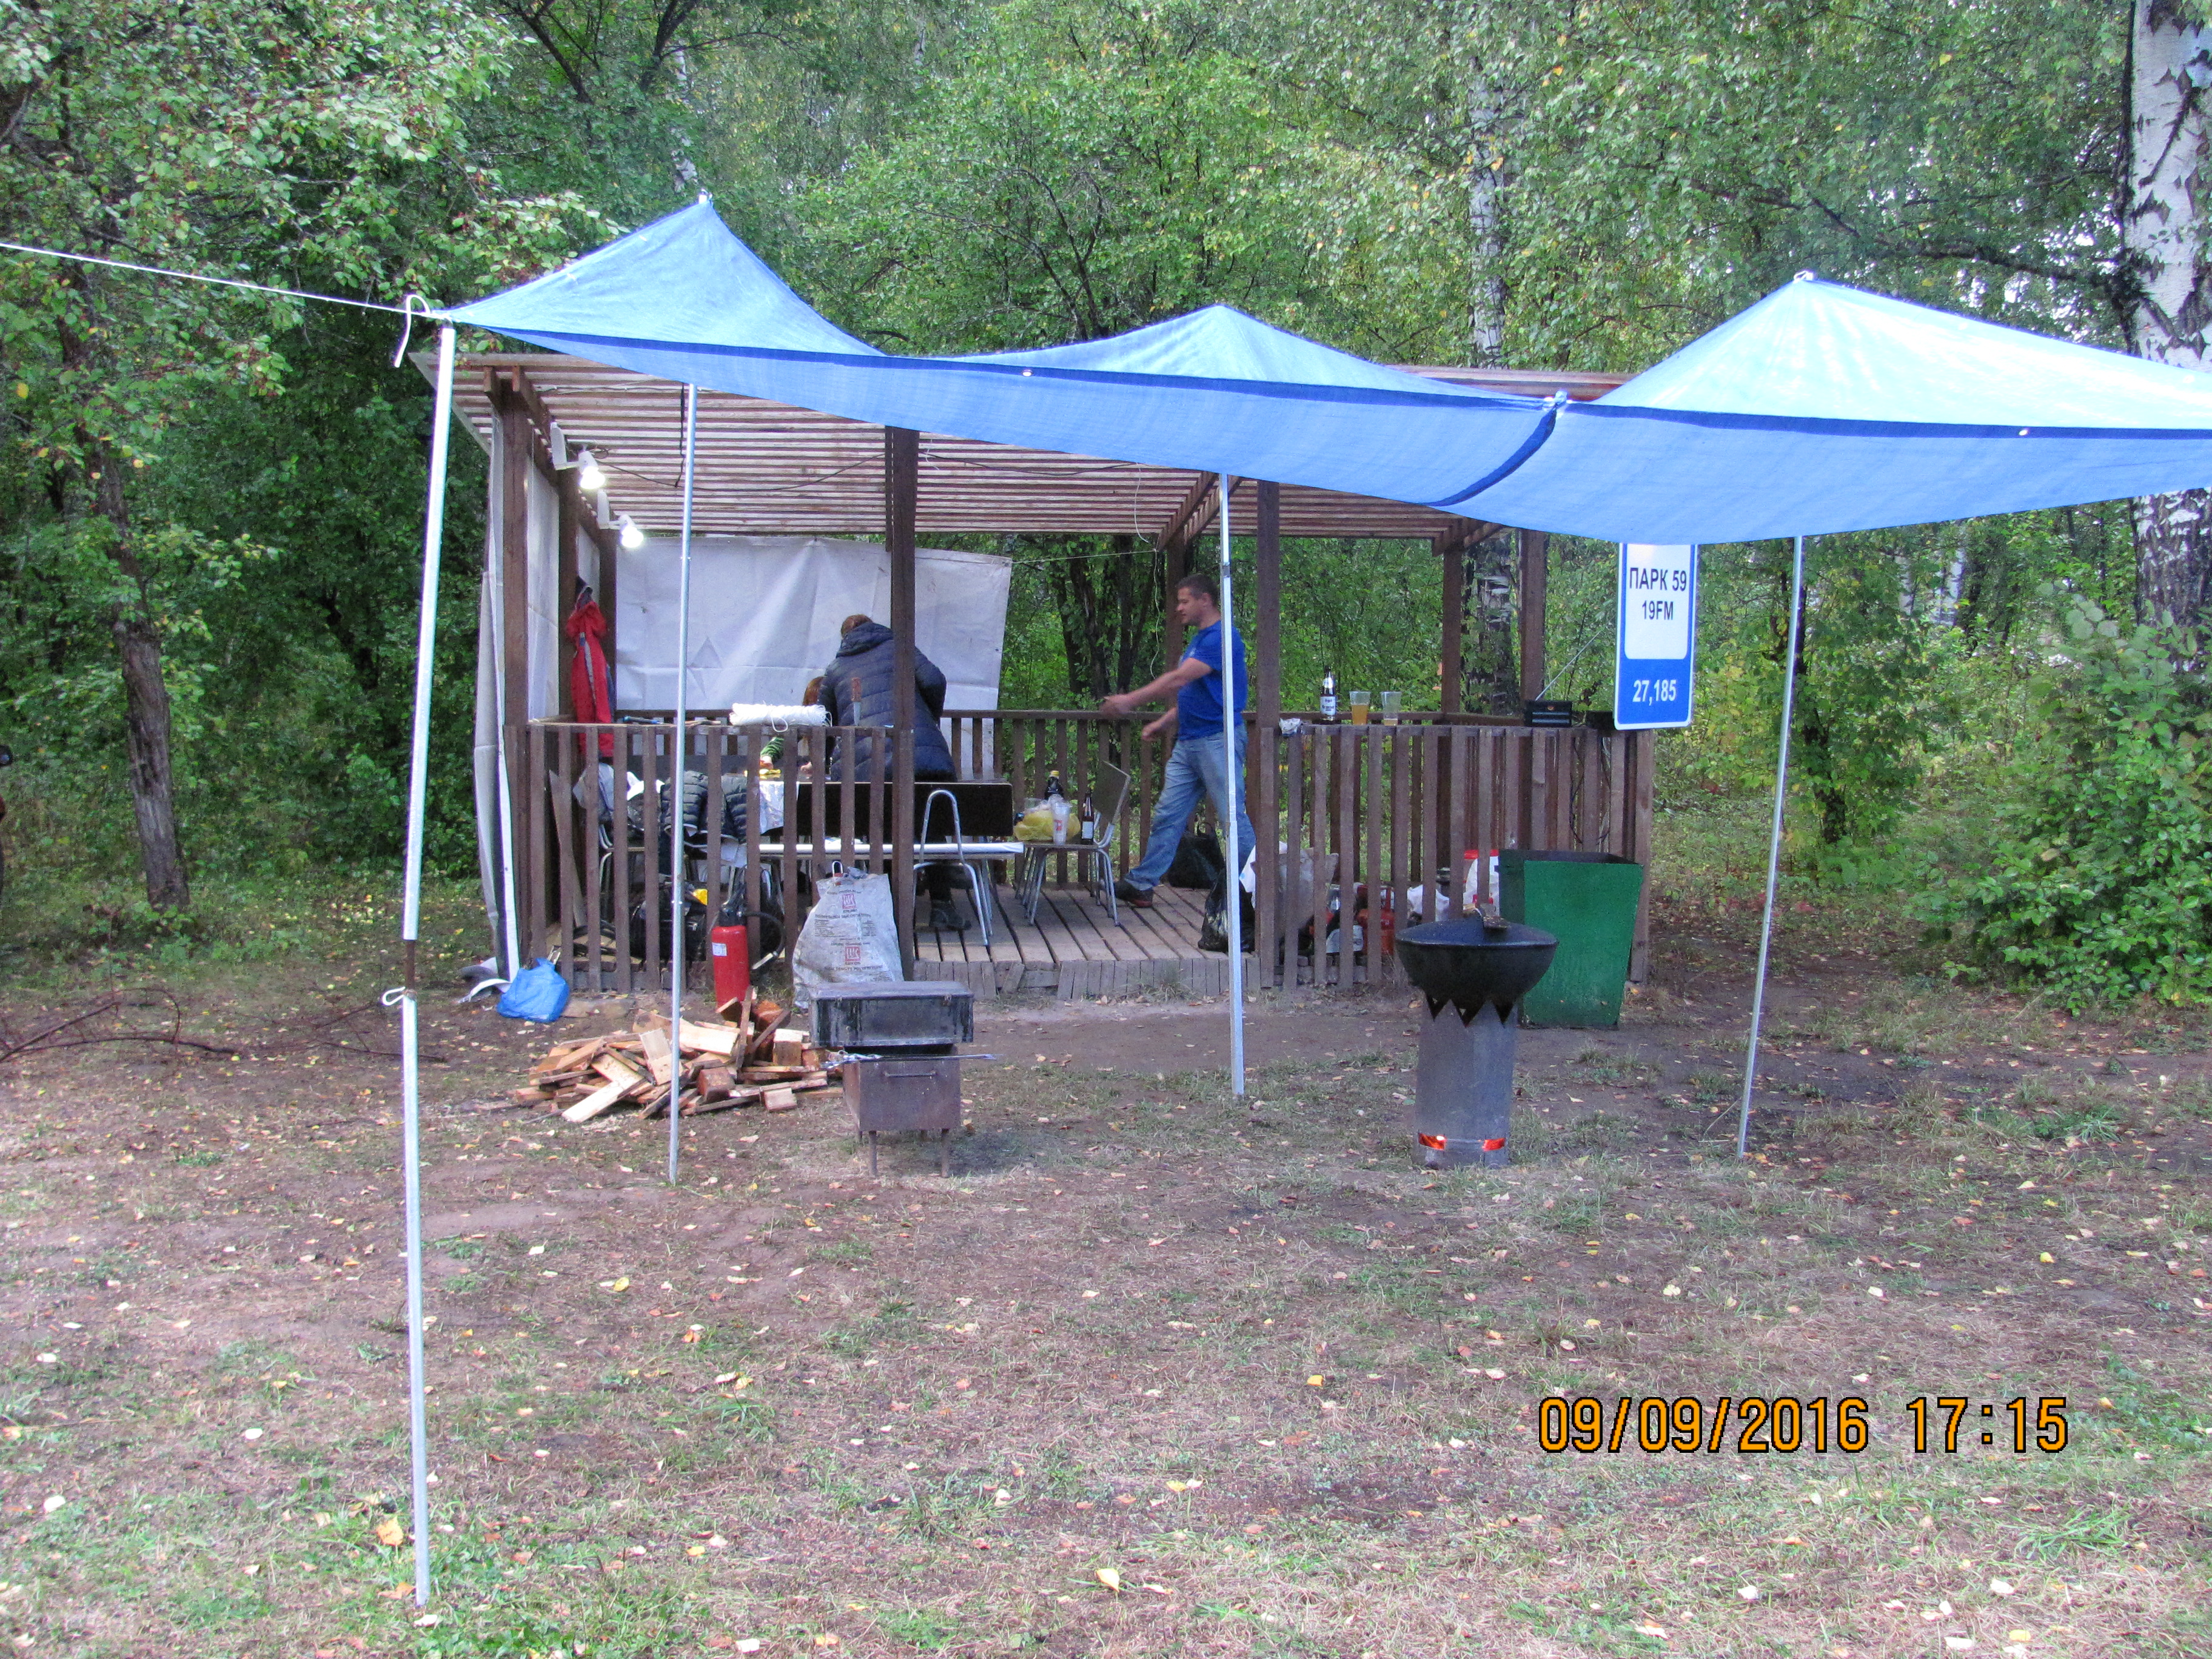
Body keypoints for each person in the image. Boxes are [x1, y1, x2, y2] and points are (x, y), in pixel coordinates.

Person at [1099, 571, 1255, 911]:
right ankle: (1142, 885)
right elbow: (1195, 693)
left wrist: (1129, 701)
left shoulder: (1222, 637)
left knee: (1232, 818)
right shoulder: (1200, 640)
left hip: (1218, 740)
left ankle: (1253, 892)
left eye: (1185, 601)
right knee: (1168, 814)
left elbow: (1179, 679)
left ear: (1205, 600)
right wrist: (1164, 722)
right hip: (1189, 743)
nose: (1179, 608)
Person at [816, 615, 967, 930]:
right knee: (931, 827)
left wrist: (828, 760)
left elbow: (825, 720)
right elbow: (934, 681)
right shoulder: (901, 649)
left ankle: (890, 912)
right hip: (921, 755)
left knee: (880, 831)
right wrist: (926, 717)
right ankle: (942, 907)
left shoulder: (836, 669)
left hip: (867, 767)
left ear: (845, 638)